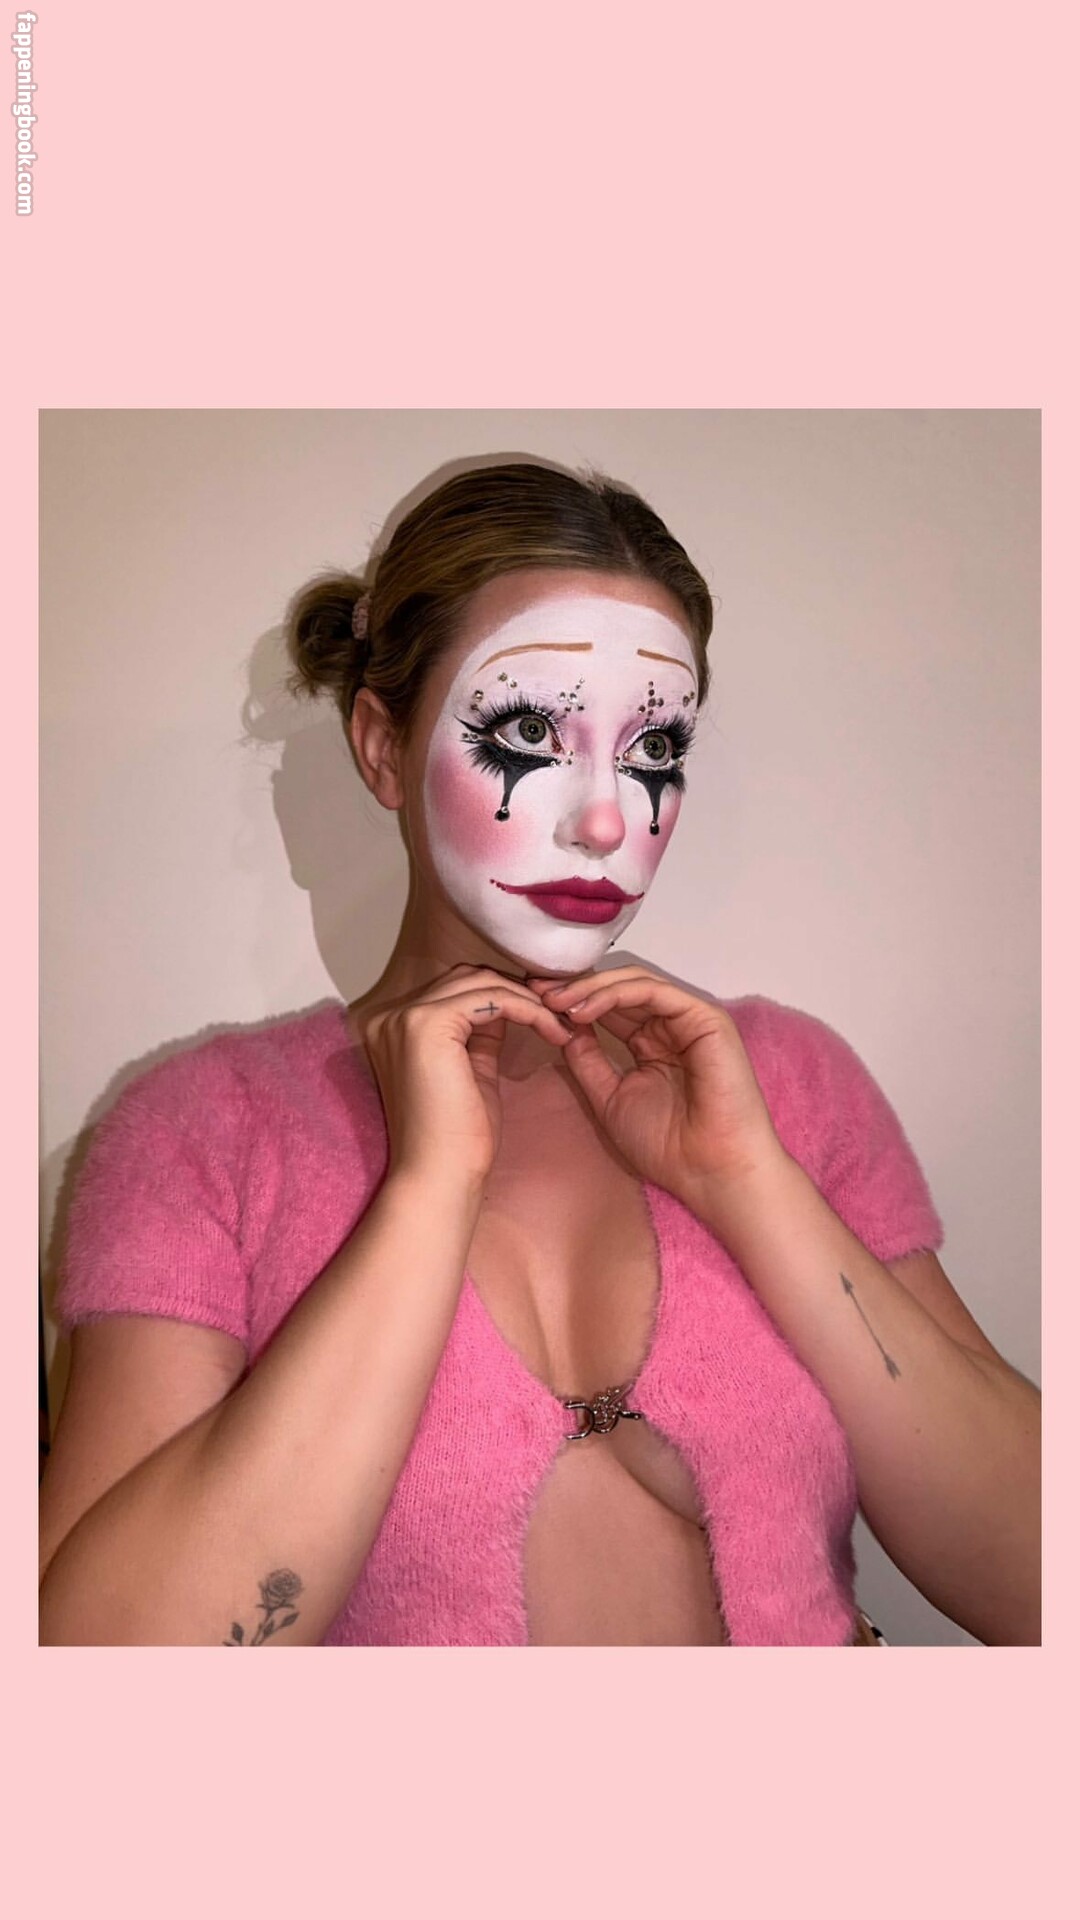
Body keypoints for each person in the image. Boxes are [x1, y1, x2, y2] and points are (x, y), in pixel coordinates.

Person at [38, 459, 1040, 1647]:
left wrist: (746, 1181)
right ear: (381, 747)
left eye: (654, 749)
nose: (607, 818)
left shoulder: (784, 1082)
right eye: (528, 732)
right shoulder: (201, 1132)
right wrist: (424, 1197)